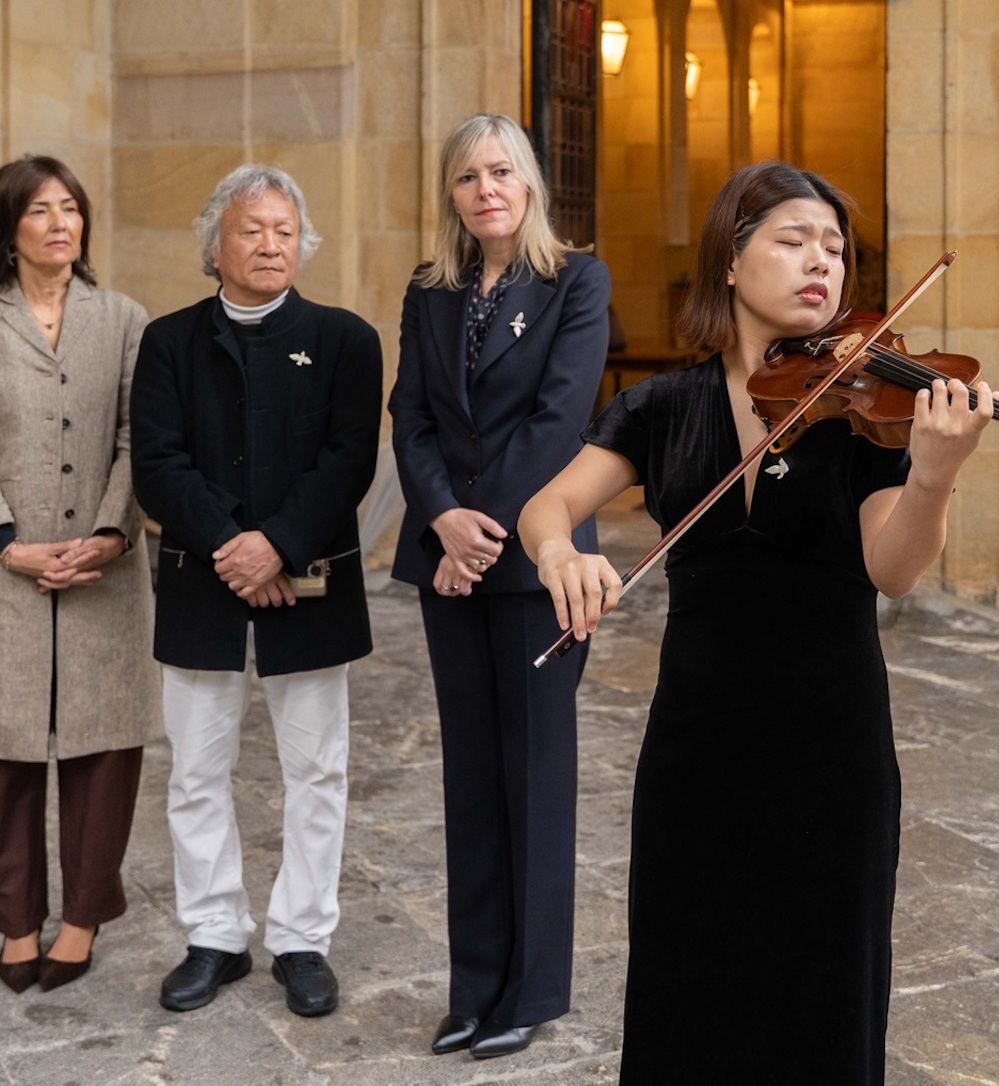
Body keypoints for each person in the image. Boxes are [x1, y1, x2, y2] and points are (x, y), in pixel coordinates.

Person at [517, 161, 996, 1083]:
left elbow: (890, 570)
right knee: (686, 989)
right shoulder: (661, 407)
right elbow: (549, 506)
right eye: (793, 239)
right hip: (697, 745)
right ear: (729, 264)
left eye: (835, 248)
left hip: (831, 749)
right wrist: (560, 553)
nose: (822, 262)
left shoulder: (864, 414)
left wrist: (933, 476)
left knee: (823, 996)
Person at [131, 165, 381, 1019]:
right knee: (197, 773)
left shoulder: (345, 339)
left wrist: (276, 546)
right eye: (251, 229)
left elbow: (348, 460)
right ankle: (214, 936)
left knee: (316, 771)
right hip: (200, 586)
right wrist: (234, 549)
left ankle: (303, 939)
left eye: (284, 229)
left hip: (310, 584)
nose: (271, 243)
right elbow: (157, 465)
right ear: (215, 245)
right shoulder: (167, 342)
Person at [388, 113, 610, 1060]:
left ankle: (530, 993)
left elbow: (561, 422)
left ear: (530, 186)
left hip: (535, 565)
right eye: (469, 175)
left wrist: (475, 533)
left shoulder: (576, 283)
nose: (487, 188)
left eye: (503, 172)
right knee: (470, 780)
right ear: (451, 192)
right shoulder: (430, 290)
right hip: (450, 556)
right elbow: (410, 415)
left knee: (535, 778)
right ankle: (474, 987)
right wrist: (442, 518)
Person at [0, 155, 158, 994]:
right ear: (8, 228)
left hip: (105, 565)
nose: (61, 223)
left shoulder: (126, 319)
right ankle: (16, 922)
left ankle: (83, 918)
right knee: (5, 748)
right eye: (40, 210)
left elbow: (142, 438)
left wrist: (108, 531)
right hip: (2, 572)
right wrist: (6, 543)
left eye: (72, 208)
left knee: (104, 744)